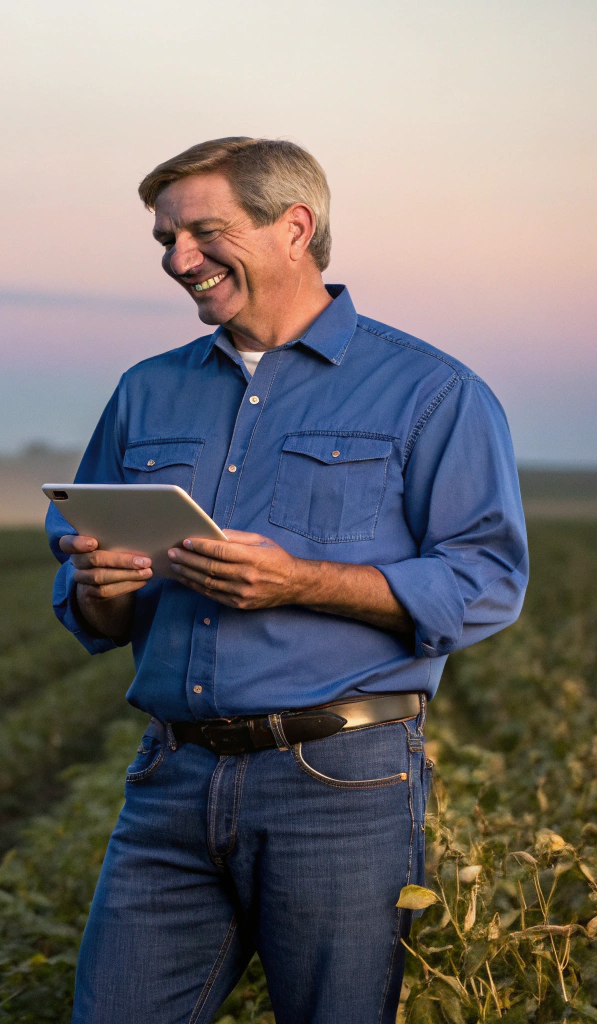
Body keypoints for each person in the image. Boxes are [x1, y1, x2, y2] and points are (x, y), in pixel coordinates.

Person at [50, 138, 528, 1022]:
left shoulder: (431, 391)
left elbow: (487, 581)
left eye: (204, 232)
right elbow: (94, 605)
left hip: (339, 782)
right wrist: (99, 587)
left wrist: (300, 581)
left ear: (296, 227)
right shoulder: (145, 392)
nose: (179, 260)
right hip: (171, 776)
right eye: (165, 239)